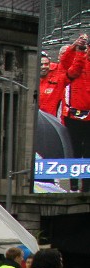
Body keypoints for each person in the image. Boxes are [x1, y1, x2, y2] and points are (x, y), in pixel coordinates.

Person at [62, 34, 90, 192]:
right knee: (74, 151)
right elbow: (65, 63)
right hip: (74, 116)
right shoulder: (78, 60)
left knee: (88, 153)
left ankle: (86, 187)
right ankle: (73, 186)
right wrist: (75, 47)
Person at [39, 51, 70, 116]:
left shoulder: (57, 79)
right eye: (41, 64)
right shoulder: (27, 80)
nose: (43, 67)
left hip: (50, 118)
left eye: (46, 64)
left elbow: (67, 67)